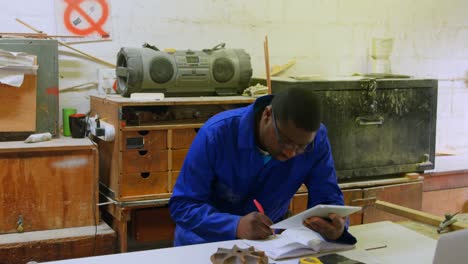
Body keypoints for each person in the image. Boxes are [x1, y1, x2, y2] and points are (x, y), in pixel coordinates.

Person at [169, 86, 356, 246]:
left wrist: (336, 226)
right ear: (267, 115)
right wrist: (235, 225)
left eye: (301, 147)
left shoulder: (317, 140)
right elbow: (183, 205)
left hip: (268, 243)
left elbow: (327, 200)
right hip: (204, 243)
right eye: (285, 141)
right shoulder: (217, 134)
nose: (291, 153)